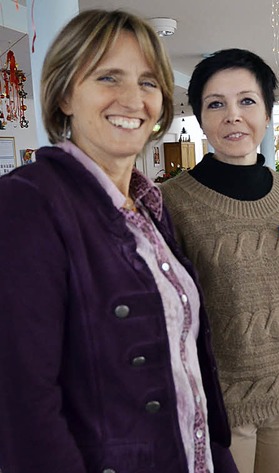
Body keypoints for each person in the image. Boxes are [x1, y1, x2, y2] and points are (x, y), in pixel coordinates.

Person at [0, 10, 236, 473]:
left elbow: (184, 367)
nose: (133, 99)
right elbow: (22, 408)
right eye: (109, 77)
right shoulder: (27, 204)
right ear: (66, 93)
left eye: (148, 83)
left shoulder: (147, 207)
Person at [160, 49, 279, 473]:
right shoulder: (173, 203)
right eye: (215, 103)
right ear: (200, 116)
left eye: (247, 101)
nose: (232, 116)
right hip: (216, 407)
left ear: (267, 111)